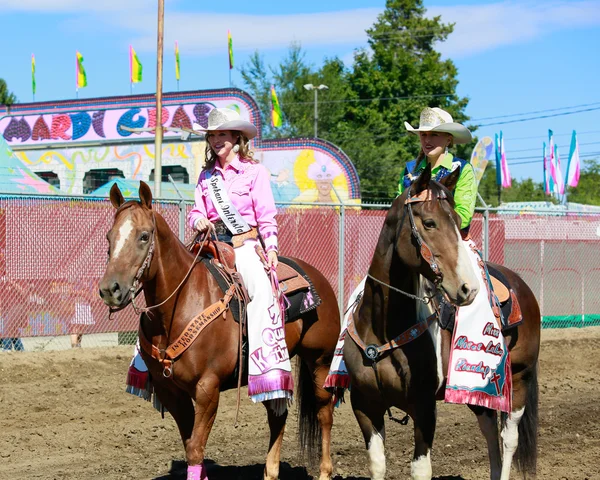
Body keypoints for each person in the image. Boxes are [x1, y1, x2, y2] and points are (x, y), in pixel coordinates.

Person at [326, 107, 511, 412]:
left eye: (434, 134)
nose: (427, 140)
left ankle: (480, 366)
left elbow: (462, 215)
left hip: (452, 242)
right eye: (423, 134)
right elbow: (401, 211)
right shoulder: (410, 169)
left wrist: (439, 224)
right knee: (361, 294)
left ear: (448, 139)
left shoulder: (462, 170)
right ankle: (344, 368)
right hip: (415, 246)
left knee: (477, 297)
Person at [187, 107, 293, 411]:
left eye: (223, 134)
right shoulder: (206, 176)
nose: (217, 140)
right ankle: (150, 366)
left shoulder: (254, 172)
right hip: (209, 244)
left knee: (260, 292)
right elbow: (197, 210)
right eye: (213, 135)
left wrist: (270, 248)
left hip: (242, 244)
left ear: (236, 137)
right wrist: (197, 221)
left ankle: (268, 368)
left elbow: (267, 216)